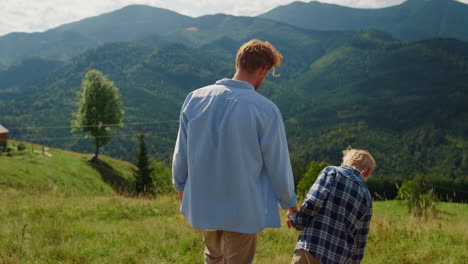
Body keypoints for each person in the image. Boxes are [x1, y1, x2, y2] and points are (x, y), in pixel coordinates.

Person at [172, 39, 298, 264]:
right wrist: (289, 203)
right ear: (263, 69)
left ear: (238, 62)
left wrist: (180, 187)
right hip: (243, 205)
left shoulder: (195, 98)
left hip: (203, 201)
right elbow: (277, 163)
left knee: (213, 256)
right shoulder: (265, 109)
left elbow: (181, 153)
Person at [288, 148, 376, 264]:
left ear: (343, 163)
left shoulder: (332, 172)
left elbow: (313, 203)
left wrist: (296, 219)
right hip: (341, 259)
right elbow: (360, 239)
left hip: (313, 247)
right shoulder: (367, 196)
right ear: (368, 172)